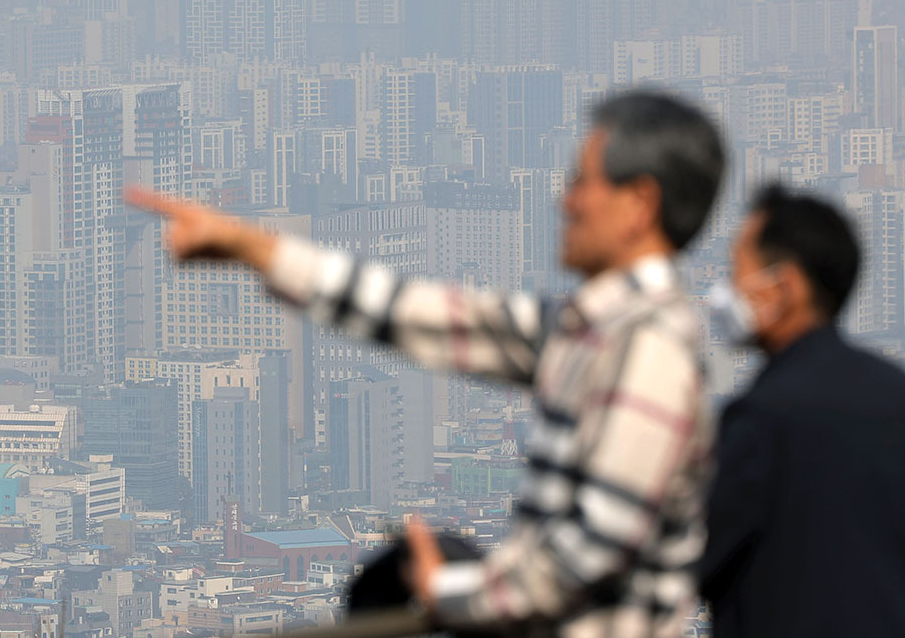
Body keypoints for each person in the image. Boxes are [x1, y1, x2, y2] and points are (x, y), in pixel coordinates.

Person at [127, 91, 726, 636]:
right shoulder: (592, 332)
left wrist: (445, 591)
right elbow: (420, 315)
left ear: (639, 203)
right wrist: (251, 247)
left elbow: (586, 554)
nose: (563, 200)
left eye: (581, 182)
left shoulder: (647, 352)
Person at [701, 185, 905, 637]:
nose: (727, 291)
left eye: (737, 271)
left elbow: (705, 553)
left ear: (784, 287)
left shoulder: (764, 413)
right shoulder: (900, 394)